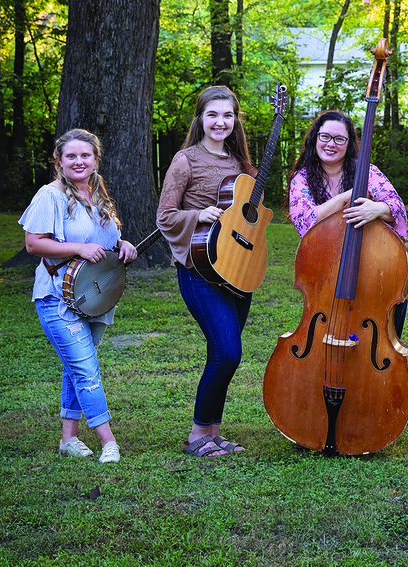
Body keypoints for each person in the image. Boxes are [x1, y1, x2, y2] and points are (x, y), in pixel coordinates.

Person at [19, 128, 137, 464]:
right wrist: (78, 248)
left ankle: (68, 439)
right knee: (86, 369)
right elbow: (33, 243)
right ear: (58, 161)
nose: (79, 161)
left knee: (75, 367)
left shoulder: (97, 194)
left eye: (85, 155)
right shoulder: (49, 196)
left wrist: (122, 245)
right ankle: (108, 442)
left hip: (93, 296)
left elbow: (106, 239)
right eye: (71, 156)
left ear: (96, 159)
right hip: (58, 298)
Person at [156, 85, 253, 458]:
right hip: (199, 268)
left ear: (235, 120)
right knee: (227, 352)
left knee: (223, 352)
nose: (220, 122)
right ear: (200, 118)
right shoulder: (185, 160)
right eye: (213, 114)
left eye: (227, 115)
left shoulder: (240, 163)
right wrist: (199, 214)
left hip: (238, 269)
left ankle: (213, 432)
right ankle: (198, 435)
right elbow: (164, 216)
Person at [287, 110, 408, 338]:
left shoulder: (368, 172)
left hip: (372, 269)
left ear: (349, 144)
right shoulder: (302, 178)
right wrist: (347, 197)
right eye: (325, 137)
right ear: (315, 138)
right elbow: (306, 222)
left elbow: (398, 207)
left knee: (380, 338)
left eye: (339, 139)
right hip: (327, 274)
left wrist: (377, 208)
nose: (331, 144)